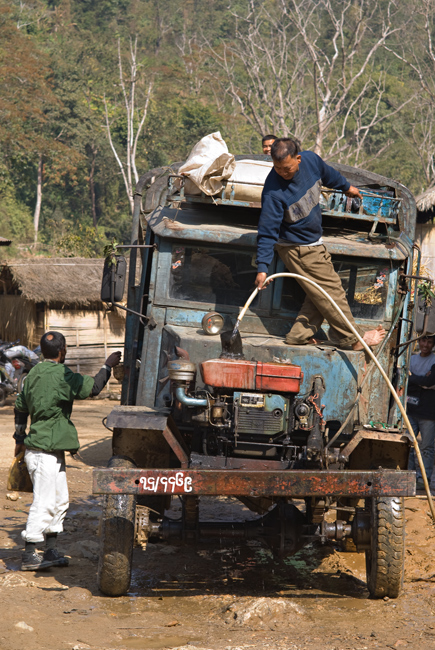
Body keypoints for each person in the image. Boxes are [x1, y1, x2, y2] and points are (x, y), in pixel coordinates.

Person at [255, 137, 385, 350]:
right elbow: (267, 232)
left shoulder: (311, 161)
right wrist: (262, 268)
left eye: (286, 168)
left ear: (298, 159)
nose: (282, 173)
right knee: (331, 290)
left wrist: (347, 187)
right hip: (297, 247)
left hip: (314, 241)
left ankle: (297, 336)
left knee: (318, 291)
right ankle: (352, 339)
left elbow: (328, 174)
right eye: (277, 168)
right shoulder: (273, 192)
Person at [13, 331, 121, 571]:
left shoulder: (31, 375)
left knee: (60, 500)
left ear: (43, 351)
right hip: (44, 451)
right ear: (63, 352)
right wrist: (107, 365)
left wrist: (19, 437)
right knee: (44, 501)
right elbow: (92, 388)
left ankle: (51, 550)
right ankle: (30, 552)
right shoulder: (63, 375)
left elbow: (20, 408)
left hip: (47, 450)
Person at [407, 335, 435, 491]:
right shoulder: (412, 359)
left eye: (429, 342)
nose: (426, 344)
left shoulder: (434, 361)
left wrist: (413, 379)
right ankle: (408, 476)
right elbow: (405, 379)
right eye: (423, 341)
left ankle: (423, 479)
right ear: (419, 342)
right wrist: (421, 382)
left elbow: (430, 381)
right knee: (408, 444)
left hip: (428, 412)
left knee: (427, 447)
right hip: (410, 410)